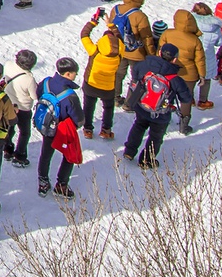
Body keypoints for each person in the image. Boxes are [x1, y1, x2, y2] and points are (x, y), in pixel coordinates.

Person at [121, 42, 193, 167]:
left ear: (159, 53)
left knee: (138, 126)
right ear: (175, 59)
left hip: (142, 106)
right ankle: (146, 161)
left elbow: (135, 75)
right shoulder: (175, 78)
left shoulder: (144, 65)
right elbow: (186, 98)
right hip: (160, 114)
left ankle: (129, 152)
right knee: (155, 137)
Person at [32, 59, 84, 198]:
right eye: (75, 73)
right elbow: (79, 119)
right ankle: (61, 184)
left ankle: (43, 182)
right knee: (69, 155)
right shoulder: (70, 96)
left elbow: (39, 95)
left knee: (46, 153)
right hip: (61, 129)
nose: (75, 76)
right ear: (68, 73)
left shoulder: (45, 82)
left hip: (45, 124)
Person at [79, 10, 123, 139]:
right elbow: (119, 38)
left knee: (88, 106)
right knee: (108, 108)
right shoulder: (120, 51)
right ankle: (106, 130)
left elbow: (84, 34)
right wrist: (111, 25)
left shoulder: (95, 51)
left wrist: (93, 21)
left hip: (91, 83)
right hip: (108, 87)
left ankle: (87, 129)